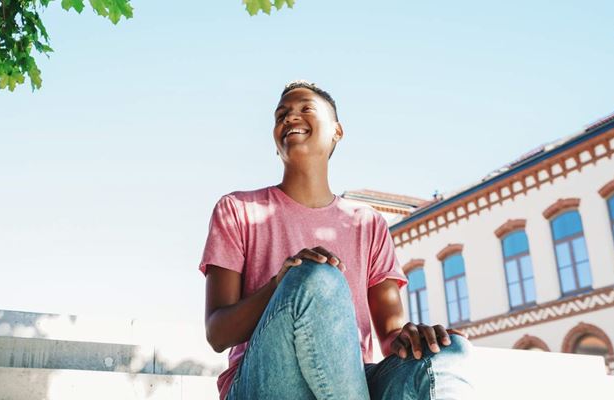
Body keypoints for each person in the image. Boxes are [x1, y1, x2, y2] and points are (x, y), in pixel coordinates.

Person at [198, 80, 474, 400]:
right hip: (263, 380)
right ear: (276, 142)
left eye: (305, 109)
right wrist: (281, 285)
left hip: (347, 380)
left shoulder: (367, 223)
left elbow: (390, 336)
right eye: (281, 115)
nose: (290, 118)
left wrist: (414, 338)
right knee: (314, 276)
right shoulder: (238, 209)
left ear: (336, 132)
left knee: (452, 350)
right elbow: (217, 334)